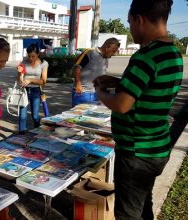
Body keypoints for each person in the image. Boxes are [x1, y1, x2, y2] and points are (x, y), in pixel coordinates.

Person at [93, 0, 183, 219]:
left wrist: (100, 92)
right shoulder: (173, 53)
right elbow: (151, 88)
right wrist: (118, 82)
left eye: (130, 23)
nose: (131, 30)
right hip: (156, 148)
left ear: (138, 19)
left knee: (128, 213)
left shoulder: (145, 56)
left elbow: (122, 105)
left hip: (137, 153)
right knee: (143, 205)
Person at [72, 37, 120, 106]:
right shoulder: (90, 52)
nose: (113, 54)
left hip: (97, 93)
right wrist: (78, 83)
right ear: (108, 47)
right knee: (78, 114)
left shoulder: (105, 58)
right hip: (83, 93)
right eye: (113, 51)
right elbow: (77, 67)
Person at [17, 44, 48, 134]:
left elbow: (43, 81)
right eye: (29, 56)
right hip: (24, 91)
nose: (31, 58)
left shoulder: (43, 63)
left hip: (35, 91)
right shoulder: (24, 62)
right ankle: (21, 135)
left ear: (38, 54)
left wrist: (30, 80)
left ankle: (37, 132)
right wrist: (19, 73)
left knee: (35, 116)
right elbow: (20, 79)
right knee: (22, 115)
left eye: (33, 56)